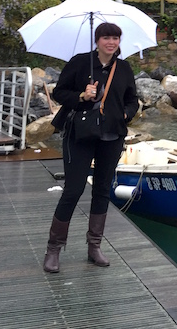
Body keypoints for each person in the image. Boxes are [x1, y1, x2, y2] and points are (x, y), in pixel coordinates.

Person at [43, 22, 139, 274]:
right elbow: (59, 93)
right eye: (106, 37)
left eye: (116, 38)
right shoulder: (80, 63)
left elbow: (132, 99)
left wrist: (125, 115)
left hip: (112, 136)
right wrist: (81, 97)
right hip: (80, 135)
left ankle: (94, 246)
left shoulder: (124, 68)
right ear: (97, 41)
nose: (111, 42)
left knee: (102, 191)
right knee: (73, 191)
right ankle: (54, 248)